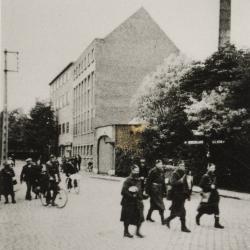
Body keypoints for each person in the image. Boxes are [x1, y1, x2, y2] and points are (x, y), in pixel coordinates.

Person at [164, 161, 192, 233]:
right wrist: (180, 181)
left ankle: (167, 220)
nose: (183, 166)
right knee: (182, 212)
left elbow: (187, 184)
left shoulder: (185, 173)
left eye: (183, 165)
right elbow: (173, 183)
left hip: (182, 195)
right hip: (176, 195)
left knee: (177, 211)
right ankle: (183, 227)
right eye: (181, 165)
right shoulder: (175, 173)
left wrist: (188, 191)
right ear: (178, 166)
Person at [196, 163, 224, 229]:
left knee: (216, 209)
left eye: (214, 168)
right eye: (212, 168)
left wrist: (214, 186)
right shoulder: (205, 176)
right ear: (208, 168)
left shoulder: (214, 176)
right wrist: (210, 187)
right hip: (208, 195)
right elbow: (201, 185)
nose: (213, 169)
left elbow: (215, 185)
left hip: (214, 195)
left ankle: (216, 223)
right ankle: (198, 217)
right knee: (204, 209)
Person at [120, 165, 145, 238]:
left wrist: (143, 196)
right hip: (128, 202)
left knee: (140, 217)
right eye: (136, 171)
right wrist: (132, 196)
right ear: (132, 171)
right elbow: (123, 192)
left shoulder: (139, 180)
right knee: (127, 218)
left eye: (138, 171)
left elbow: (140, 190)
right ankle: (126, 232)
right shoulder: (128, 180)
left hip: (137, 202)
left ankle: (137, 232)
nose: (137, 172)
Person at [146, 160, 166, 225]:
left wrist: (165, 191)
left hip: (160, 190)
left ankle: (148, 217)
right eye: (159, 164)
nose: (161, 165)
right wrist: (147, 191)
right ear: (156, 164)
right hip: (154, 190)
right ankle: (163, 220)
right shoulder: (152, 171)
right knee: (161, 205)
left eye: (161, 164)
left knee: (153, 205)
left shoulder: (162, 171)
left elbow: (163, 181)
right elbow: (148, 182)